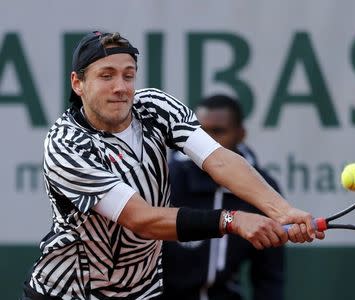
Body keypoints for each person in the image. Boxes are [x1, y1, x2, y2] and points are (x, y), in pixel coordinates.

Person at [21, 31, 324, 300]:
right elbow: (141, 220)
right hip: (67, 294)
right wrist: (231, 220)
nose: (121, 87)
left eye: (128, 75)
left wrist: (281, 210)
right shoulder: (65, 144)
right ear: (78, 83)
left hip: (143, 292)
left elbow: (218, 159)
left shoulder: (155, 106)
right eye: (106, 76)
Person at [162, 95, 285, 300]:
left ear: (241, 134)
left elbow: (269, 277)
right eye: (200, 132)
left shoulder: (263, 188)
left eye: (218, 131)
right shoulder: (166, 179)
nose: (207, 141)